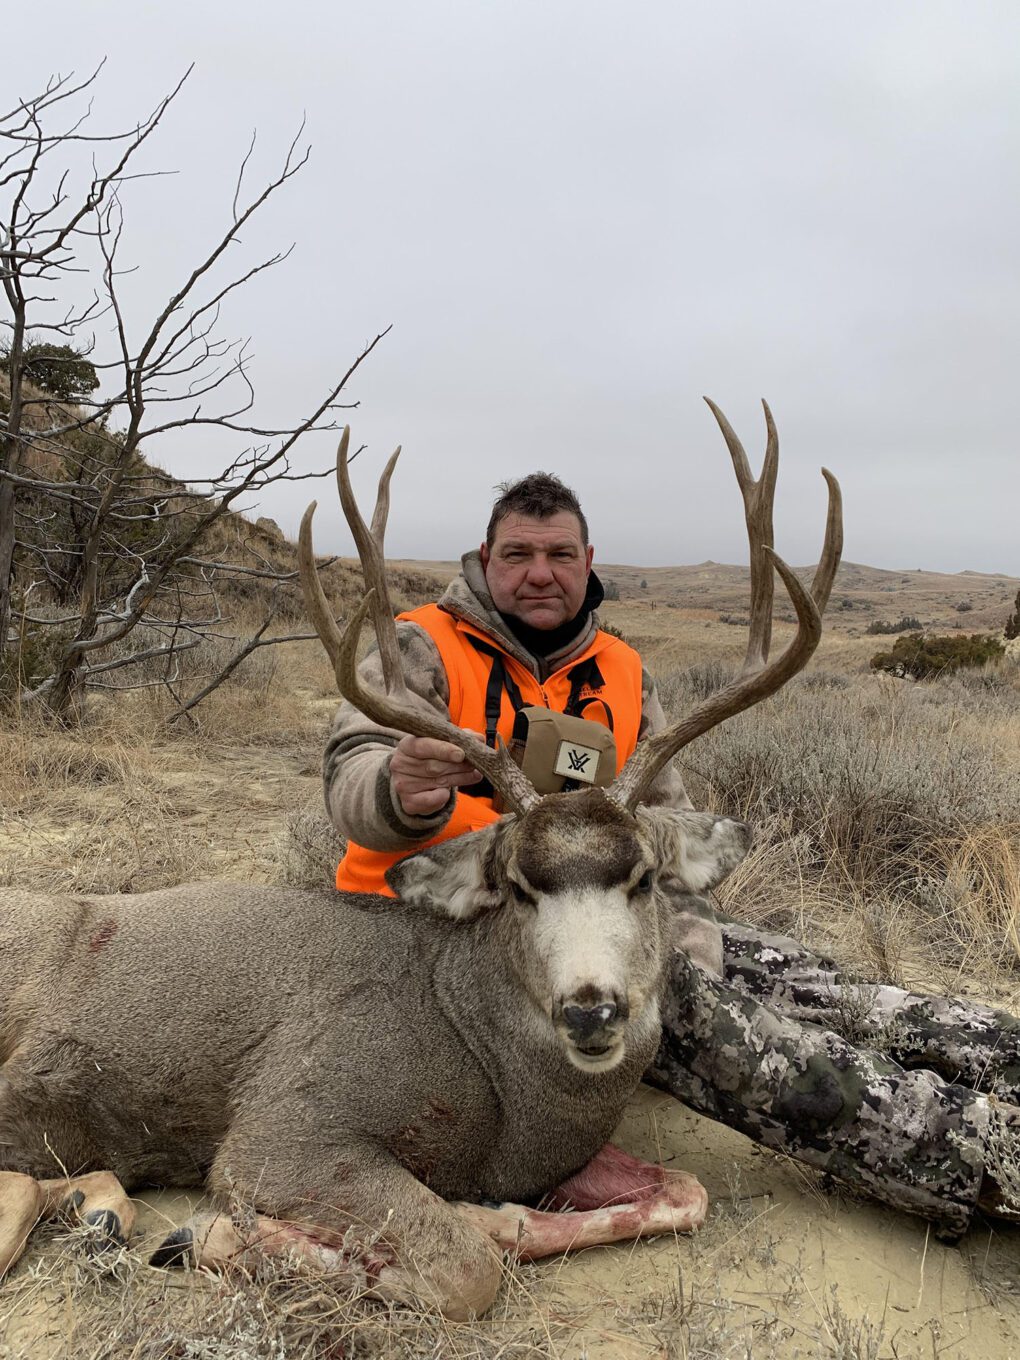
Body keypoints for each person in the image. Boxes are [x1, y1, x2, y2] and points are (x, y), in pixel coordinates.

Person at [324, 471, 1020, 1241]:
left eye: (559, 554)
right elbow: (349, 771)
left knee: (815, 983)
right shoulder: (421, 645)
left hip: (614, 909)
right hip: (450, 933)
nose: (539, 572)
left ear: (589, 559)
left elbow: (668, 817)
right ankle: (987, 1160)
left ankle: (1001, 1051)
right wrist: (398, 785)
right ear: (485, 558)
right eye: (517, 553)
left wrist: (688, 933)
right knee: (755, 1053)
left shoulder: (621, 669)